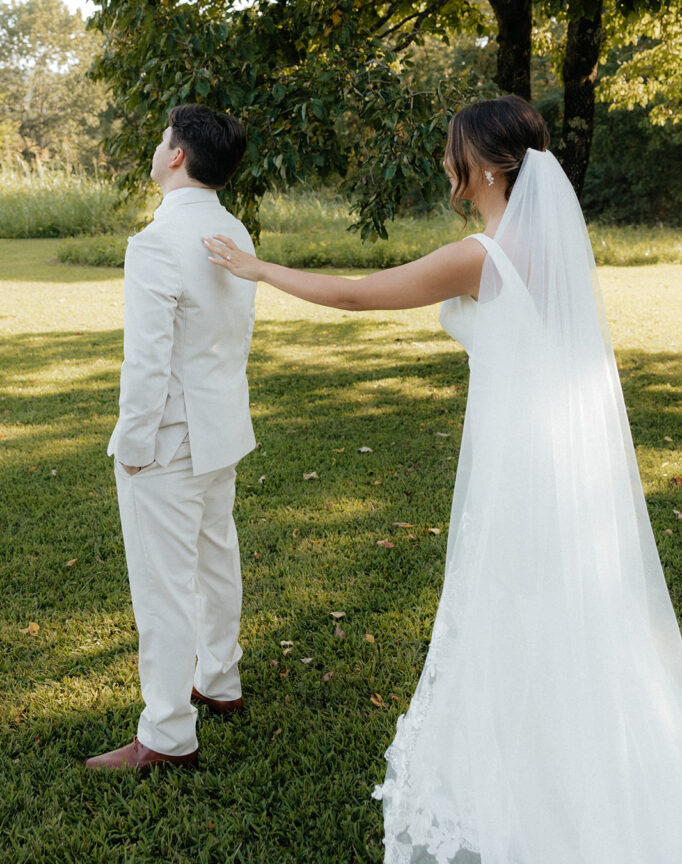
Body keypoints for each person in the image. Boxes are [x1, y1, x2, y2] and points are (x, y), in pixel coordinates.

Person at [202, 95, 682, 863]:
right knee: (561, 606)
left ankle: (524, 787)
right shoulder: (553, 251)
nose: (445, 162)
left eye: (453, 150)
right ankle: (568, 767)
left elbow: (361, 294)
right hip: (556, 452)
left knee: (507, 604)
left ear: (485, 166)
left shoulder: (479, 257)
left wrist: (258, 268)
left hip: (515, 458)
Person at [86, 104, 257, 771]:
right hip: (221, 428)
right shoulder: (233, 227)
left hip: (171, 439)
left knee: (162, 585)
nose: (158, 149)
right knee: (215, 558)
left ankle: (166, 734)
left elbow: (147, 362)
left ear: (178, 156)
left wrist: (132, 446)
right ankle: (220, 680)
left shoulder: (157, 242)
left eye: (163, 141)